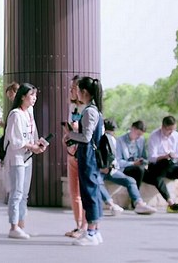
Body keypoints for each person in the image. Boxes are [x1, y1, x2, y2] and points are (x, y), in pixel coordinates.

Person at [65, 76, 105, 246]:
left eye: (78, 90)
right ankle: (94, 231)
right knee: (92, 192)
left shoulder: (89, 111)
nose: (76, 93)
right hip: (90, 156)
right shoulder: (95, 110)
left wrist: (70, 134)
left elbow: (86, 137)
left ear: (85, 92)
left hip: (87, 156)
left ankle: (91, 232)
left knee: (88, 193)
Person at [4, 83, 47, 241]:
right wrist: (32, 146)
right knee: (17, 193)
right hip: (17, 158)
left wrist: (38, 144)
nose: (34, 98)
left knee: (24, 194)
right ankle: (13, 227)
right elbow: (15, 141)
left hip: (27, 158)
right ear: (22, 96)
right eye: (31, 95)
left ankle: (21, 225)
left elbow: (32, 134)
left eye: (35, 95)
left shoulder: (29, 112)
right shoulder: (15, 114)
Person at [97, 119, 156, 215]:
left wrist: (110, 167)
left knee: (130, 181)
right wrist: (100, 168)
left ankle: (139, 203)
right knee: (97, 181)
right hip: (98, 170)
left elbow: (114, 159)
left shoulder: (113, 140)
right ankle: (111, 204)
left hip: (111, 170)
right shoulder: (96, 140)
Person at [145, 116, 178, 213]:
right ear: (163, 127)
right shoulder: (154, 136)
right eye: (169, 130)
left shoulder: (176, 135)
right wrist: (165, 156)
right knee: (164, 165)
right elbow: (152, 158)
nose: (171, 132)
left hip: (173, 165)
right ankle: (171, 202)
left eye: (173, 129)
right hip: (158, 165)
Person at [63, 84, 85, 237]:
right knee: (74, 192)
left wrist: (76, 129)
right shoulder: (72, 108)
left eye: (73, 88)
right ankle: (78, 225)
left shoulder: (88, 110)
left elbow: (88, 134)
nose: (70, 90)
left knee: (84, 192)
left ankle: (85, 227)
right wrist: (68, 134)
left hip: (83, 153)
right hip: (72, 151)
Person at [116, 120, 148, 189]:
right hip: (126, 167)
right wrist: (133, 163)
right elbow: (118, 161)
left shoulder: (141, 140)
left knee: (152, 174)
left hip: (138, 166)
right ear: (132, 128)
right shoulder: (120, 140)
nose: (139, 137)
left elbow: (144, 157)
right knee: (139, 170)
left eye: (141, 135)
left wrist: (142, 161)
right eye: (138, 134)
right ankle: (136, 193)